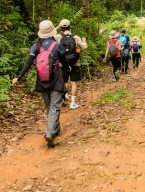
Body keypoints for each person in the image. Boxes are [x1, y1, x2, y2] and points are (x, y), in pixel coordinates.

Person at [12, 20, 71, 148]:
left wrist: (19, 77)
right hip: (55, 80)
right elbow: (64, 61)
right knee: (55, 107)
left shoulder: (36, 46)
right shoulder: (57, 45)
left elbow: (28, 63)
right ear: (52, 32)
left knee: (49, 107)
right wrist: (67, 68)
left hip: (41, 81)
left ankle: (55, 129)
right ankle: (49, 132)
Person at [54, 19, 88, 110]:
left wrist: (56, 27)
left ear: (61, 29)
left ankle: (65, 96)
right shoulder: (76, 37)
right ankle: (72, 104)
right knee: (74, 83)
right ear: (70, 28)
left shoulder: (58, 37)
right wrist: (84, 41)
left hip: (63, 63)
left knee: (64, 81)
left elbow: (48, 36)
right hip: (75, 63)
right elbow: (84, 47)